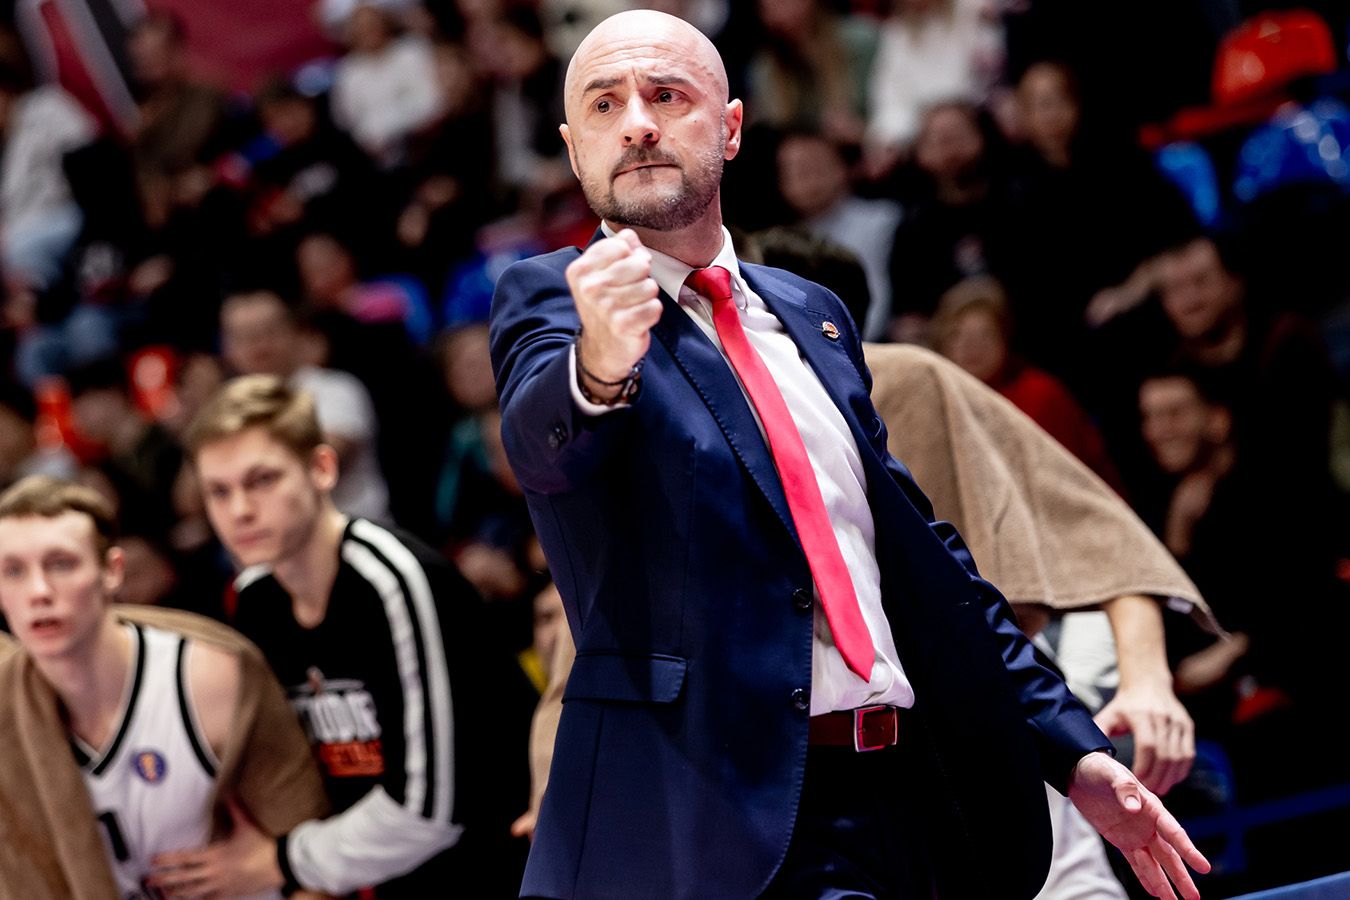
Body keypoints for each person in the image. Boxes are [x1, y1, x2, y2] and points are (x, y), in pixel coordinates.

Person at [488, 10, 1208, 899]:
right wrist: (598, 364)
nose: (636, 122)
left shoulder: (811, 314)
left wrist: (1072, 751)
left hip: (906, 792)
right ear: (572, 149)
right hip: (724, 817)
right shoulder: (552, 302)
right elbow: (542, 451)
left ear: (731, 128)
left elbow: (924, 568)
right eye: (604, 105)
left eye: (666, 95)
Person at [150, 375, 531, 898]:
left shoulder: (392, 580)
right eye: (218, 491)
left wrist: (281, 862)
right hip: (369, 878)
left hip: (495, 871)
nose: (239, 510)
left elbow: (433, 812)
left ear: (322, 469)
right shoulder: (254, 598)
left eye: (262, 480)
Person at [0, 474, 328, 898]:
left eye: (61, 564)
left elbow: (312, 860)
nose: (39, 592)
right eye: (13, 571)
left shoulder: (209, 676)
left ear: (112, 570)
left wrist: (279, 863)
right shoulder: (8, 703)